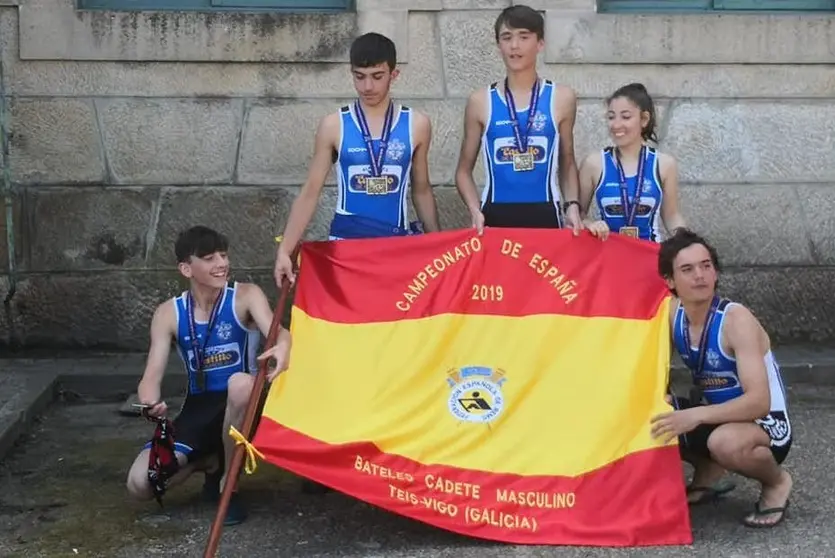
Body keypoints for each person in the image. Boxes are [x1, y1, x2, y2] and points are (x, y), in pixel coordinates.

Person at [125, 226, 292, 526]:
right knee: (140, 484)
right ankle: (209, 460)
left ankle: (229, 484)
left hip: (245, 401)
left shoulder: (245, 296)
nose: (221, 264)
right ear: (186, 268)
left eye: (224, 255)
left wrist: (283, 347)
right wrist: (149, 403)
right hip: (199, 409)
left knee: (239, 385)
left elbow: (280, 333)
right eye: (210, 258)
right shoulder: (168, 313)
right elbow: (150, 376)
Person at [651, 228, 793, 528]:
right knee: (646, 410)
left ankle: (777, 483)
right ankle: (709, 471)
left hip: (765, 423)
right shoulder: (671, 313)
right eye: (687, 270)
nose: (700, 276)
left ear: (715, 272)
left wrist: (694, 415)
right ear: (669, 281)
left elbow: (759, 402)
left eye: (706, 266)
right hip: (716, 417)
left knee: (724, 441)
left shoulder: (736, 320)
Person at [274, 32, 440, 286]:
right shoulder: (333, 125)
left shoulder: (416, 124)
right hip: (346, 244)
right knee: (347, 324)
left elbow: (422, 190)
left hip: (395, 244)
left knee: (392, 324)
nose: (368, 87)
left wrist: (437, 244)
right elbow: (310, 191)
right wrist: (285, 250)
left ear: (393, 75)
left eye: (377, 76)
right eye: (359, 77)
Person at [454, 4, 583, 235]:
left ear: (540, 43)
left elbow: (568, 161)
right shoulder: (480, 101)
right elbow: (463, 171)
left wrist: (572, 205)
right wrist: (474, 210)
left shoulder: (562, 97)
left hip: (546, 214)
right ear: (498, 45)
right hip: (494, 216)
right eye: (507, 37)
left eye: (524, 37)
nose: (514, 46)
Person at [577, 83, 686, 242]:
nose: (616, 125)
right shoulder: (594, 163)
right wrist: (591, 224)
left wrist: (687, 241)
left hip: (649, 254)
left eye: (626, 117)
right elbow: (577, 215)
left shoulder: (664, 164)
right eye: (611, 117)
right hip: (608, 256)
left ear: (644, 119)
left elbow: (671, 217)